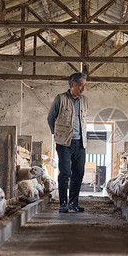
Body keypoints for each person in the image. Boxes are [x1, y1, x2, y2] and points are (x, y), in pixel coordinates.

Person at [47, 72, 88, 213]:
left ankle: (73, 203)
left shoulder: (84, 100)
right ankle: (63, 203)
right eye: (81, 86)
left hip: (80, 143)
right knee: (65, 173)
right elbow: (50, 118)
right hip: (64, 143)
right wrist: (56, 134)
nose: (83, 89)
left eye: (84, 86)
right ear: (72, 85)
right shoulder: (60, 99)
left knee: (79, 173)